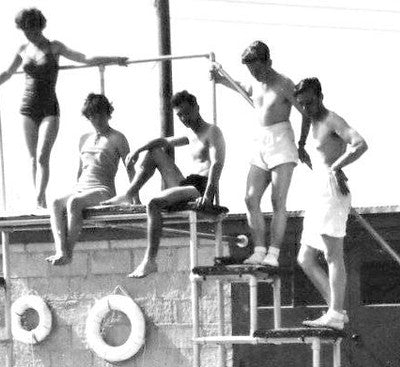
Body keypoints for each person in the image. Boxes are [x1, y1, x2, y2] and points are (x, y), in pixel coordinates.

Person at [0, 8, 129, 208]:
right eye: (25, 30)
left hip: (49, 107)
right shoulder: (22, 49)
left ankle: (40, 197)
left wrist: (115, 59)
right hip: (27, 107)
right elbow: (7, 72)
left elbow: (84, 57)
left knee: (43, 155)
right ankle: (39, 201)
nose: (29, 33)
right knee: (33, 157)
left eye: (32, 29)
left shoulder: (54, 47)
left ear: (39, 27)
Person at [107, 91, 226, 278]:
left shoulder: (212, 131)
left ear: (197, 108)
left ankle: (150, 260)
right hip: (187, 183)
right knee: (154, 151)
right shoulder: (190, 134)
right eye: (179, 115)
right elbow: (164, 141)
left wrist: (209, 195)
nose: (184, 118)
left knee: (153, 203)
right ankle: (129, 193)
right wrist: (138, 149)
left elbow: (217, 163)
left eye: (187, 112)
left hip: (201, 188)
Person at [210, 41, 301, 268]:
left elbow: (306, 110)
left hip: (282, 140)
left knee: (277, 200)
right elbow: (245, 89)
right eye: (252, 71)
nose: (256, 75)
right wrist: (222, 79)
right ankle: (260, 250)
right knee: (250, 198)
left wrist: (305, 142)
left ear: (268, 62)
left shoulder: (285, 83)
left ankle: (273, 252)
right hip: (261, 142)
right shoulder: (256, 84)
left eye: (258, 70)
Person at [292, 78, 368, 331]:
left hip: (332, 189)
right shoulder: (308, 117)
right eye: (302, 104)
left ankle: (335, 313)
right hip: (316, 191)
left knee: (332, 254)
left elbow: (360, 144)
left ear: (321, 97)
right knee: (305, 258)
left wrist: (337, 166)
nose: (306, 108)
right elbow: (304, 119)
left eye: (311, 102)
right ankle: (336, 309)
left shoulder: (333, 120)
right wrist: (301, 144)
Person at [47, 93, 132, 266]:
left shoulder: (118, 138)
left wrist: (134, 197)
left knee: (74, 203)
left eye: (100, 114)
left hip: (102, 190)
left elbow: (130, 167)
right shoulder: (84, 139)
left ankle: (67, 253)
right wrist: (76, 188)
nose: (96, 119)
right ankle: (60, 249)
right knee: (56, 201)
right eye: (92, 115)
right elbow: (80, 170)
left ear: (107, 114)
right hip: (82, 188)